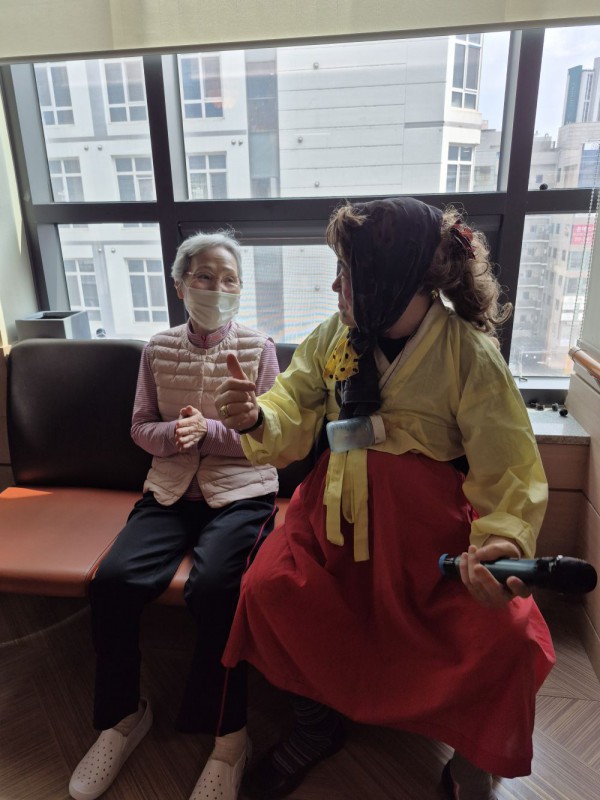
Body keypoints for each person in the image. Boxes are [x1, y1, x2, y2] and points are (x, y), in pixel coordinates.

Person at [214, 197, 556, 800]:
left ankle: (471, 762)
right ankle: (316, 727)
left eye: (347, 273)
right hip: (331, 525)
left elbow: (510, 465)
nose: (335, 287)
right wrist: (255, 416)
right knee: (268, 591)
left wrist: (503, 538)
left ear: (391, 278)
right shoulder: (332, 337)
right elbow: (290, 408)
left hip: (427, 543)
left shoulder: (469, 354)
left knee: (510, 638)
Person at [69, 231, 279, 800]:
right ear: (181, 285)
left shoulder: (259, 348)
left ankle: (229, 739)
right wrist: (173, 435)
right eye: (204, 276)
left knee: (217, 589)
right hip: (168, 490)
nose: (217, 288)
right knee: (113, 581)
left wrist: (208, 431)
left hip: (241, 493)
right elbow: (140, 427)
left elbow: (272, 440)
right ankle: (122, 717)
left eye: (229, 279)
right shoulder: (157, 349)